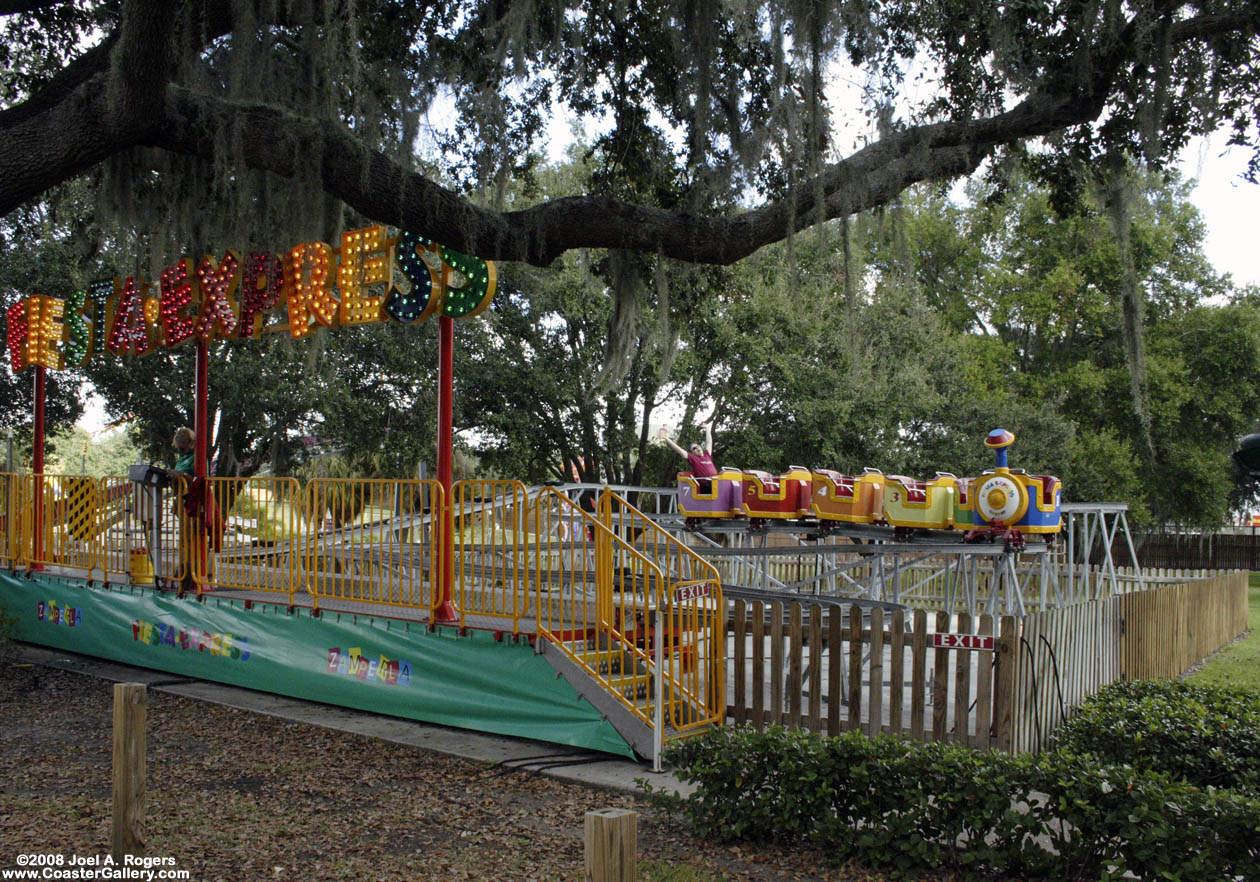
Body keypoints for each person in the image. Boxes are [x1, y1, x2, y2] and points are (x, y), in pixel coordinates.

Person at [663, 421, 718, 491]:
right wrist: (667, 439)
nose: (697, 448)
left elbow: (709, 442)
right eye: (694, 448)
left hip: (717, 482)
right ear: (693, 453)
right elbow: (679, 450)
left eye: (697, 446)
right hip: (707, 485)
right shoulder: (694, 458)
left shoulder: (707, 456)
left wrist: (707, 428)